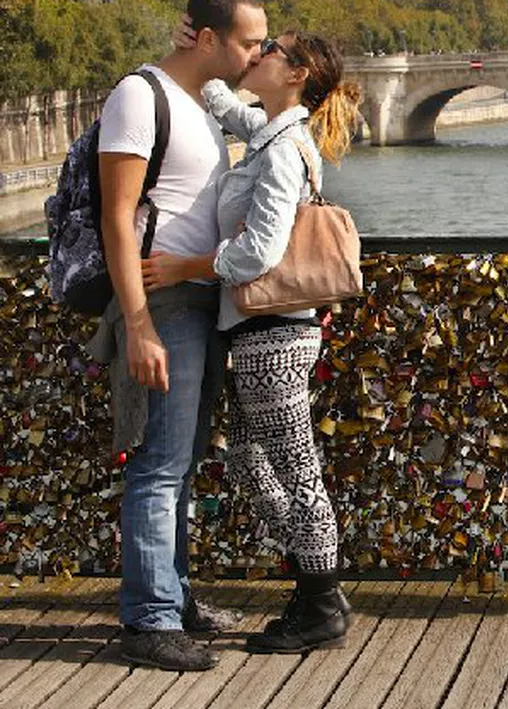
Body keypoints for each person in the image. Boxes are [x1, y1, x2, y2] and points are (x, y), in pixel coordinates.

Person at [144, 21, 362, 654]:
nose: (260, 54)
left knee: (294, 470)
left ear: (294, 75)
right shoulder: (268, 131)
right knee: (250, 459)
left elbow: (260, 252)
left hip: (275, 333)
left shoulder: (282, 148)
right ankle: (315, 586)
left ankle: (321, 604)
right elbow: (224, 102)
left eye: (272, 51)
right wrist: (198, 46)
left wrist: (187, 266)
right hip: (260, 333)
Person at [92, 0, 267, 673]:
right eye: (251, 42)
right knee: (160, 463)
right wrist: (137, 322)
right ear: (213, 38)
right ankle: (149, 618)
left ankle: (173, 599)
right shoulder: (140, 97)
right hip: (163, 302)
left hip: (201, 299)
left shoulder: (198, 100)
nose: (257, 54)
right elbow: (115, 215)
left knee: (181, 463)